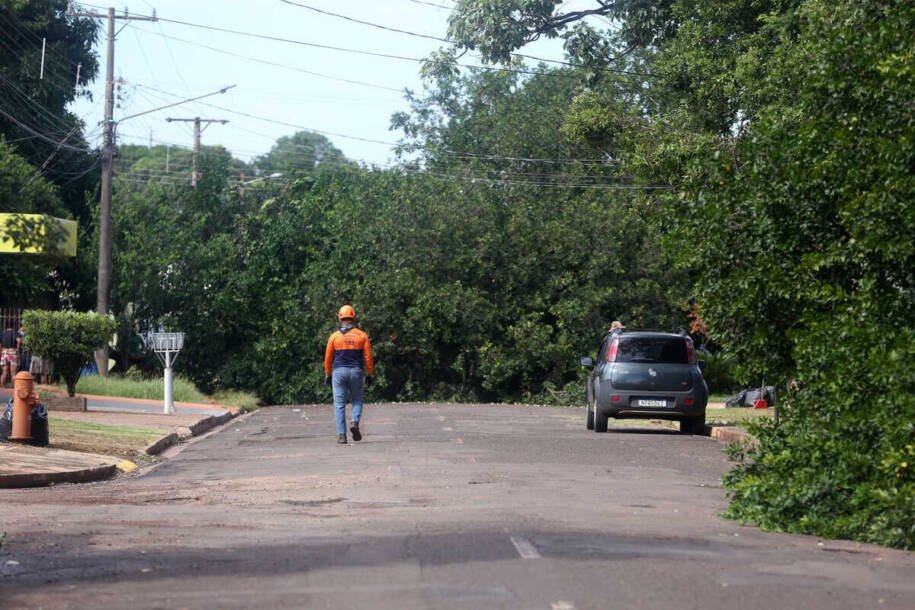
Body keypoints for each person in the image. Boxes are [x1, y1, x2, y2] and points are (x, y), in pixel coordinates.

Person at [324, 305, 374, 444]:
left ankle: (342, 436)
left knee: (339, 404)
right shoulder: (362, 335)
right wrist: (369, 373)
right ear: (353, 317)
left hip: (338, 372)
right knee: (357, 399)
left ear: (340, 318)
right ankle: (354, 422)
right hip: (356, 372)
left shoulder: (334, 336)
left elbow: (328, 358)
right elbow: (368, 357)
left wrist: (328, 373)